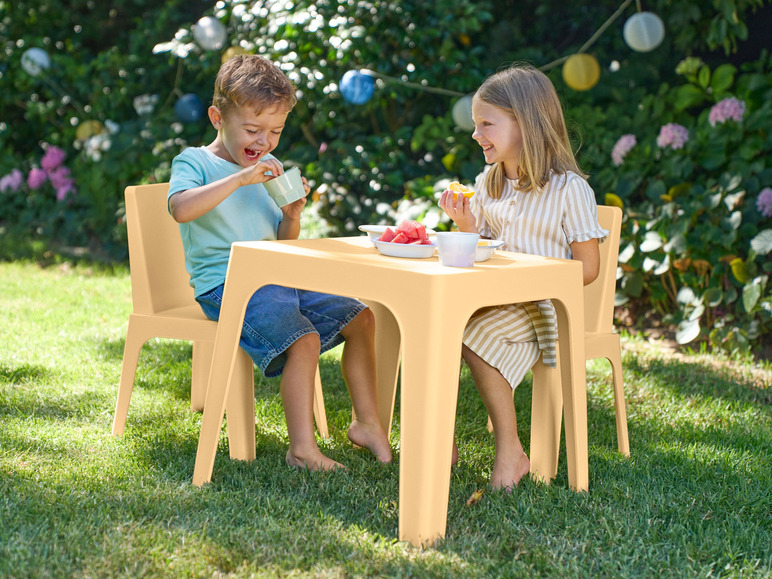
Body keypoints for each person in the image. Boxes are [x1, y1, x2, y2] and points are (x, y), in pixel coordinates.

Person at [167, 54, 391, 471]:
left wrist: (291, 215)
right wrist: (238, 179)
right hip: (227, 284)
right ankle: (302, 449)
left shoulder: (264, 172)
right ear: (218, 117)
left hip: (275, 278)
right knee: (303, 340)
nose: (264, 141)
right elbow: (180, 209)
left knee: (361, 318)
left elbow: (283, 244)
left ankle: (367, 423)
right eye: (253, 130)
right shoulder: (194, 162)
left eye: (275, 131)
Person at [439, 64, 607, 491]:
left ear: (526, 123)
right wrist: (466, 226)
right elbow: (485, 247)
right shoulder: (489, 183)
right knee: (438, 324)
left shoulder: (569, 189)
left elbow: (588, 268)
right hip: (494, 301)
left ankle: (511, 451)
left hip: (544, 310)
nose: (476, 134)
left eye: (486, 124)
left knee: (470, 333)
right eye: (476, 125)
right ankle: (443, 439)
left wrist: (534, 276)